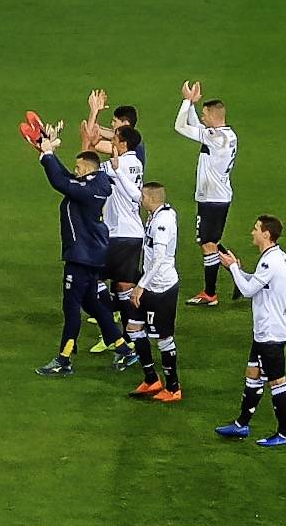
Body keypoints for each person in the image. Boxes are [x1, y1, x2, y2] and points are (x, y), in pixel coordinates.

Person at [31, 122, 130, 377]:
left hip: (82, 257)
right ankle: (122, 347)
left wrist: (49, 155)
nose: (75, 172)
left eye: (78, 168)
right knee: (92, 303)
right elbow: (65, 178)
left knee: (71, 306)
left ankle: (64, 359)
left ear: (88, 168)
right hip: (89, 255)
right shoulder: (94, 184)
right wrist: (46, 153)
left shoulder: (91, 190)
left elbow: (61, 183)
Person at [213, 216, 286, 447]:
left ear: (266, 234)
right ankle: (241, 425)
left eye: (256, 228)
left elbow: (248, 290)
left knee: (277, 381)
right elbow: (257, 284)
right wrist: (237, 270)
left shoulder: (271, 261)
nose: (252, 232)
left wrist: (232, 269)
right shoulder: (273, 257)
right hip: (264, 330)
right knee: (253, 374)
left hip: (271, 332)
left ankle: (284, 433)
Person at [175, 80, 239, 306]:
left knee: (207, 242)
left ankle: (210, 294)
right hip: (216, 195)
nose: (202, 117)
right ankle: (234, 267)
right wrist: (192, 105)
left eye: (204, 114)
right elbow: (197, 128)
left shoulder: (216, 137)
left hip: (213, 198)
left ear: (213, 116)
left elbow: (181, 127)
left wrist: (186, 101)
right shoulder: (225, 135)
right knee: (209, 240)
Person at [96, 126, 146, 369]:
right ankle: (129, 338)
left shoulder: (119, 166)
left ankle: (120, 335)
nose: (112, 141)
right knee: (121, 285)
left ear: (123, 143)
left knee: (94, 279)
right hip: (130, 233)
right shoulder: (134, 162)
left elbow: (88, 168)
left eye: (114, 138)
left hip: (121, 234)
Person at [128, 182, 183, 402]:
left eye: (142, 196)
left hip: (161, 287)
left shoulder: (161, 222)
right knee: (133, 328)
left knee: (163, 338)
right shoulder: (158, 214)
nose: (140, 199)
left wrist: (141, 285)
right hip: (150, 283)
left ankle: (173, 388)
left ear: (151, 198)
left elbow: (159, 258)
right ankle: (151, 379)